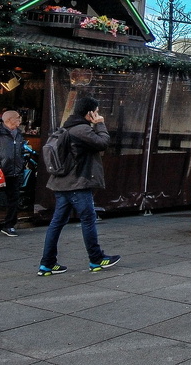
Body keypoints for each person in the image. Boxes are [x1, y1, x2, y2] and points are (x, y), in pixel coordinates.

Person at [38, 96, 121, 275]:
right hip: (77, 183)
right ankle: (96, 259)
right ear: (90, 113)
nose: (98, 114)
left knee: (57, 223)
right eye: (96, 111)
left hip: (61, 183)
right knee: (88, 220)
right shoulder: (81, 129)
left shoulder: (67, 127)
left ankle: (47, 263)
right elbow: (103, 143)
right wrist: (100, 124)